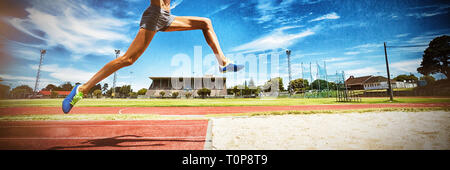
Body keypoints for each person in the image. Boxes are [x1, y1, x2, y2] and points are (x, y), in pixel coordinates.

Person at [62, 0, 244, 114]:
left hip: (167, 17)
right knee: (128, 59)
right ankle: (82, 89)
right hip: (154, 14)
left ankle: (222, 61)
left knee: (206, 23)